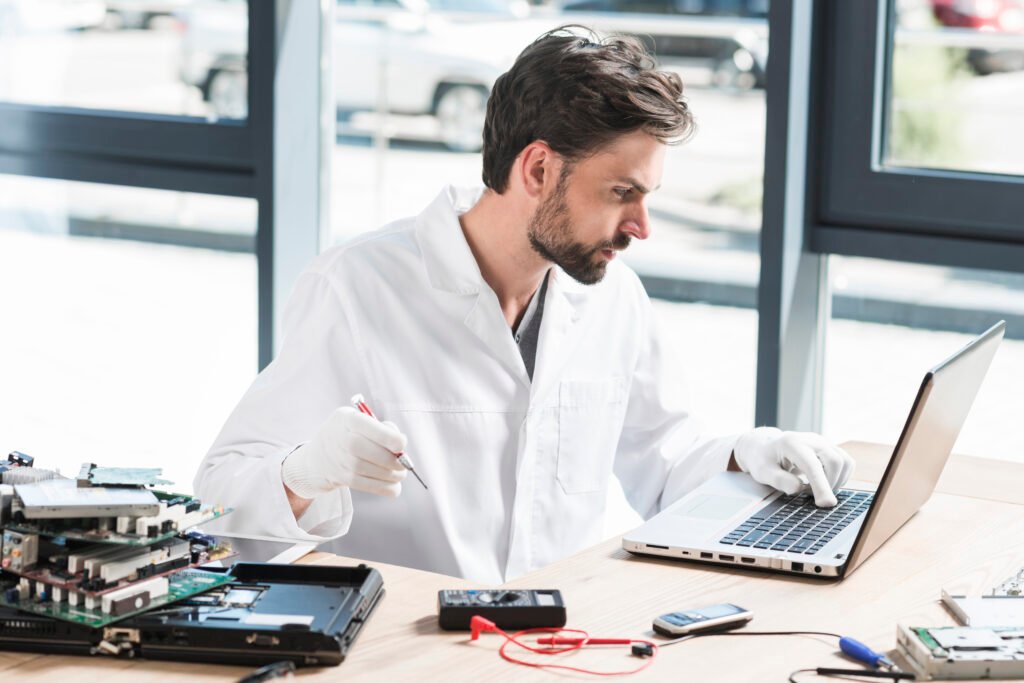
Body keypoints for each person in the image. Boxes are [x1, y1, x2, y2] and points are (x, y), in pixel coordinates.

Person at [195, 26, 854, 584]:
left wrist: (751, 452)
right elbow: (217, 507)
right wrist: (306, 474)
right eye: (621, 192)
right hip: (409, 652)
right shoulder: (357, 286)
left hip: (557, 640)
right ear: (537, 169)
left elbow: (665, 458)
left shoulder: (612, 295)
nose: (641, 226)